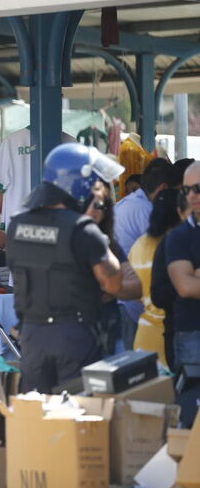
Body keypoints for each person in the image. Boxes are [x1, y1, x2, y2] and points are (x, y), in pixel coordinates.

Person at [6, 143, 124, 394]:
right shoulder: (83, 228)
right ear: (80, 184)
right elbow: (114, 284)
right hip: (74, 336)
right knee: (77, 416)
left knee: (36, 414)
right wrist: (98, 234)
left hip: (32, 336)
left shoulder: (16, 226)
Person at [114, 158, 178, 348]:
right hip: (139, 309)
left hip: (128, 303)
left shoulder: (128, 204)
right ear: (164, 188)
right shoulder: (147, 213)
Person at [84, 179, 142, 356]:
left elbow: (136, 286)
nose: (95, 209)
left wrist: (112, 287)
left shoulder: (110, 245)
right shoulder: (60, 243)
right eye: (88, 201)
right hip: (72, 341)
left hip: (110, 335)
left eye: (102, 203)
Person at [129, 188, 181, 368]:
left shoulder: (140, 244)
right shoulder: (179, 245)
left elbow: (135, 293)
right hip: (172, 336)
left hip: (144, 336)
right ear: (180, 212)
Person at [165, 161, 200, 371]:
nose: (191, 196)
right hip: (193, 334)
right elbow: (185, 287)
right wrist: (191, 278)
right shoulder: (179, 236)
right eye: (186, 190)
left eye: (198, 189)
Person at [152, 191, 190, 367]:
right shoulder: (170, 243)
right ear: (180, 213)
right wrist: (184, 282)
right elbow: (158, 295)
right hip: (182, 333)